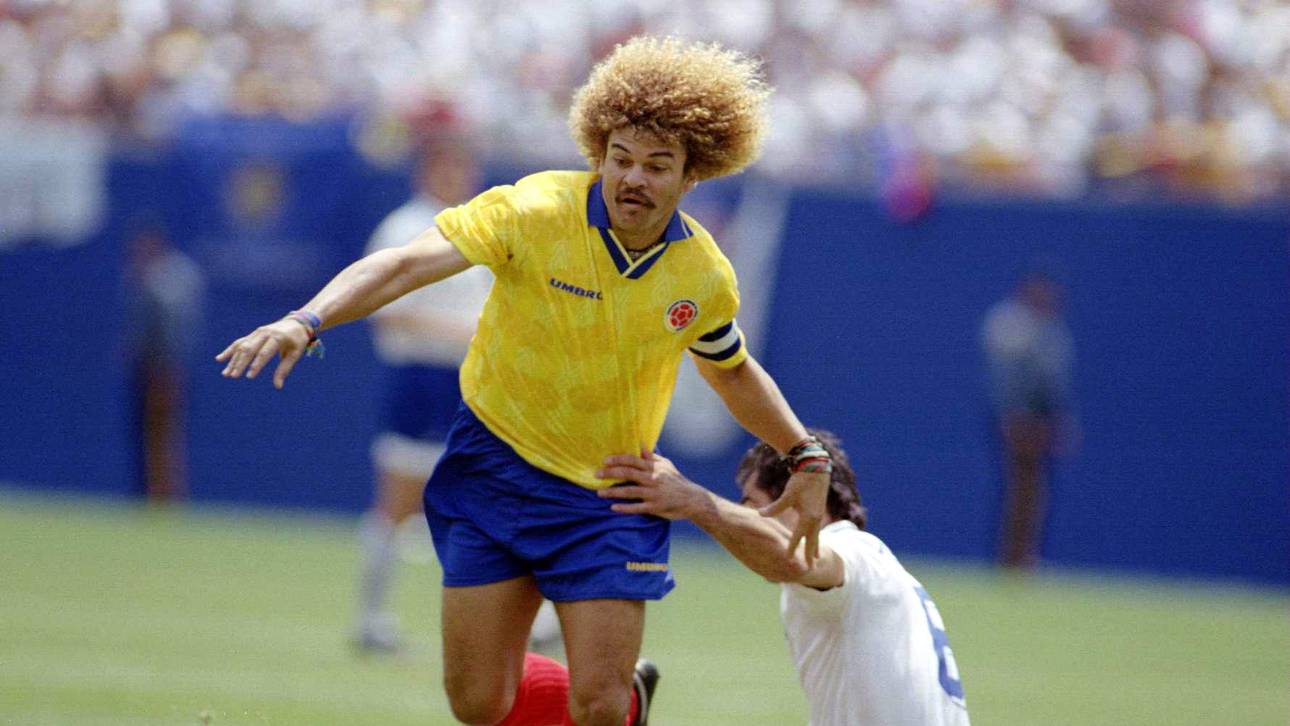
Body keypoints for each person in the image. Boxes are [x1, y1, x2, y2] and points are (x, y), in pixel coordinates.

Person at [216, 36, 832, 726]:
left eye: (658, 166)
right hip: (493, 470)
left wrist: (805, 453)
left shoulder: (703, 274)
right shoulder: (535, 211)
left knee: (597, 708)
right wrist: (308, 319)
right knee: (479, 703)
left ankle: (621, 700)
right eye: (619, 159)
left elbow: (732, 370)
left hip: (610, 492)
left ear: (692, 176)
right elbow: (407, 263)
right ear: (597, 152)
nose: (633, 179)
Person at [597, 432, 971, 726]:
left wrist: (695, 501)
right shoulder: (878, 568)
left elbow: (797, 561)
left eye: (750, 504)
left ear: (803, 498)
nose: (743, 517)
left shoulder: (852, 554)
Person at [354, 131, 564, 655]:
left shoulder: (485, 226)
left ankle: (524, 622)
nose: (458, 177)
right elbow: (383, 308)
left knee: (504, 497)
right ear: (426, 170)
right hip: (424, 379)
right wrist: (461, 332)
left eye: (465, 167)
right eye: (448, 166)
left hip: (480, 382)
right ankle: (371, 618)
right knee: (399, 503)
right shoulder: (405, 228)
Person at [981, 271, 1076, 570]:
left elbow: (1054, 385)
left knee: (1034, 492)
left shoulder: (1050, 329)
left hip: (1040, 420)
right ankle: (1013, 556)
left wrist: (1058, 421)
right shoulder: (1013, 326)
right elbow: (1010, 382)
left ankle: (1023, 556)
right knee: (1020, 490)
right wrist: (1013, 418)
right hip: (1021, 420)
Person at [124, 220, 205, 503]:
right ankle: (158, 494)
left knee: (162, 434)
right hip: (160, 368)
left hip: (161, 369)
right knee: (156, 435)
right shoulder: (174, 276)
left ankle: (164, 496)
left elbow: (167, 330)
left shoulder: (164, 279)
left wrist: (161, 361)